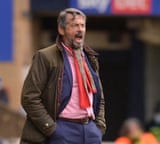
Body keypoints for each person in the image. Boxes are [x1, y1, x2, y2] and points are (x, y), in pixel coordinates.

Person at [20, 8, 106, 144]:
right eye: (74, 25)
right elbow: (29, 97)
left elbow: (98, 97)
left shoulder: (90, 58)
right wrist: (52, 129)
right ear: (61, 29)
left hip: (89, 131)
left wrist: (98, 126)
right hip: (62, 129)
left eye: (82, 25)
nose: (80, 29)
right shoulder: (46, 57)